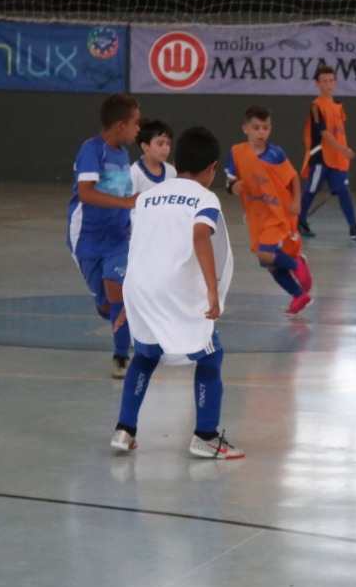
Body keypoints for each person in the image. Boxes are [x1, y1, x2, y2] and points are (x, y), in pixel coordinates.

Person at [109, 125, 244, 460]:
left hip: (140, 285)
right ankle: (206, 437)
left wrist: (131, 299)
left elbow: (137, 244)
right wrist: (212, 292)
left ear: (178, 161)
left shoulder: (148, 197)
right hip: (172, 289)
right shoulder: (205, 197)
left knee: (145, 353)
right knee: (210, 354)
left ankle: (124, 430)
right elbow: (201, 237)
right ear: (213, 167)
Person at [67, 92, 141, 378]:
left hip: (117, 237)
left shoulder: (124, 154)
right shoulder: (92, 150)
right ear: (120, 125)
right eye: (135, 123)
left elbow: (123, 196)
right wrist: (126, 203)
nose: (138, 129)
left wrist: (129, 219)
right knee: (105, 304)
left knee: (117, 286)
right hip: (86, 237)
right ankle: (117, 319)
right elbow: (85, 193)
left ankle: (121, 357)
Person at [225, 105, 315, 316]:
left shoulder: (275, 154)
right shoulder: (237, 152)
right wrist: (233, 187)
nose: (261, 132)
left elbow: (292, 177)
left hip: (278, 214)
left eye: (265, 128)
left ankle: (296, 263)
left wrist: (297, 201)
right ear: (245, 128)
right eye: (256, 128)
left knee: (266, 254)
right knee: (271, 266)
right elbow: (230, 181)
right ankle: (299, 295)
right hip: (257, 216)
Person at [297, 63, 356, 241]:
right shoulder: (316, 106)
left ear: (335, 82)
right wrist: (343, 149)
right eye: (324, 81)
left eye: (331, 80)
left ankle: (354, 227)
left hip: (337, 159)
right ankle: (299, 220)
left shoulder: (338, 105)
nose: (328, 84)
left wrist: (342, 151)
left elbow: (338, 130)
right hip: (321, 156)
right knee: (311, 189)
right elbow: (323, 132)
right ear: (317, 84)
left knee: (343, 190)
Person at [129, 119, 175, 194]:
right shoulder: (134, 174)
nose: (165, 148)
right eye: (160, 144)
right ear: (145, 146)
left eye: (168, 144)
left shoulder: (171, 171)